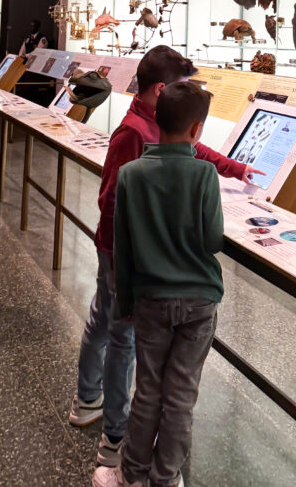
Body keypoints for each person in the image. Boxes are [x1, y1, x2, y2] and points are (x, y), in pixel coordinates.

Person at [69, 45, 262, 469]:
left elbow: (187, 146)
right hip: (122, 254)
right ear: (161, 90)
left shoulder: (158, 123)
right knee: (118, 330)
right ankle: (110, 430)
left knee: (115, 327)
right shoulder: (133, 132)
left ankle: (98, 409)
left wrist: (232, 167)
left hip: (137, 254)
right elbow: (110, 201)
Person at [93, 81, 222, 487]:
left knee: (147, 389)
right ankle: (166, 478)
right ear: (197, 130)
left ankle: (132, 474)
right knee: (181, 395)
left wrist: (124, 300)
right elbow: (212, 239)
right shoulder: (205, 174)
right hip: (199, 301)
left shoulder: (132, 175)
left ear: (156, 117)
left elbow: (124, 246)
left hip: (150, 299)